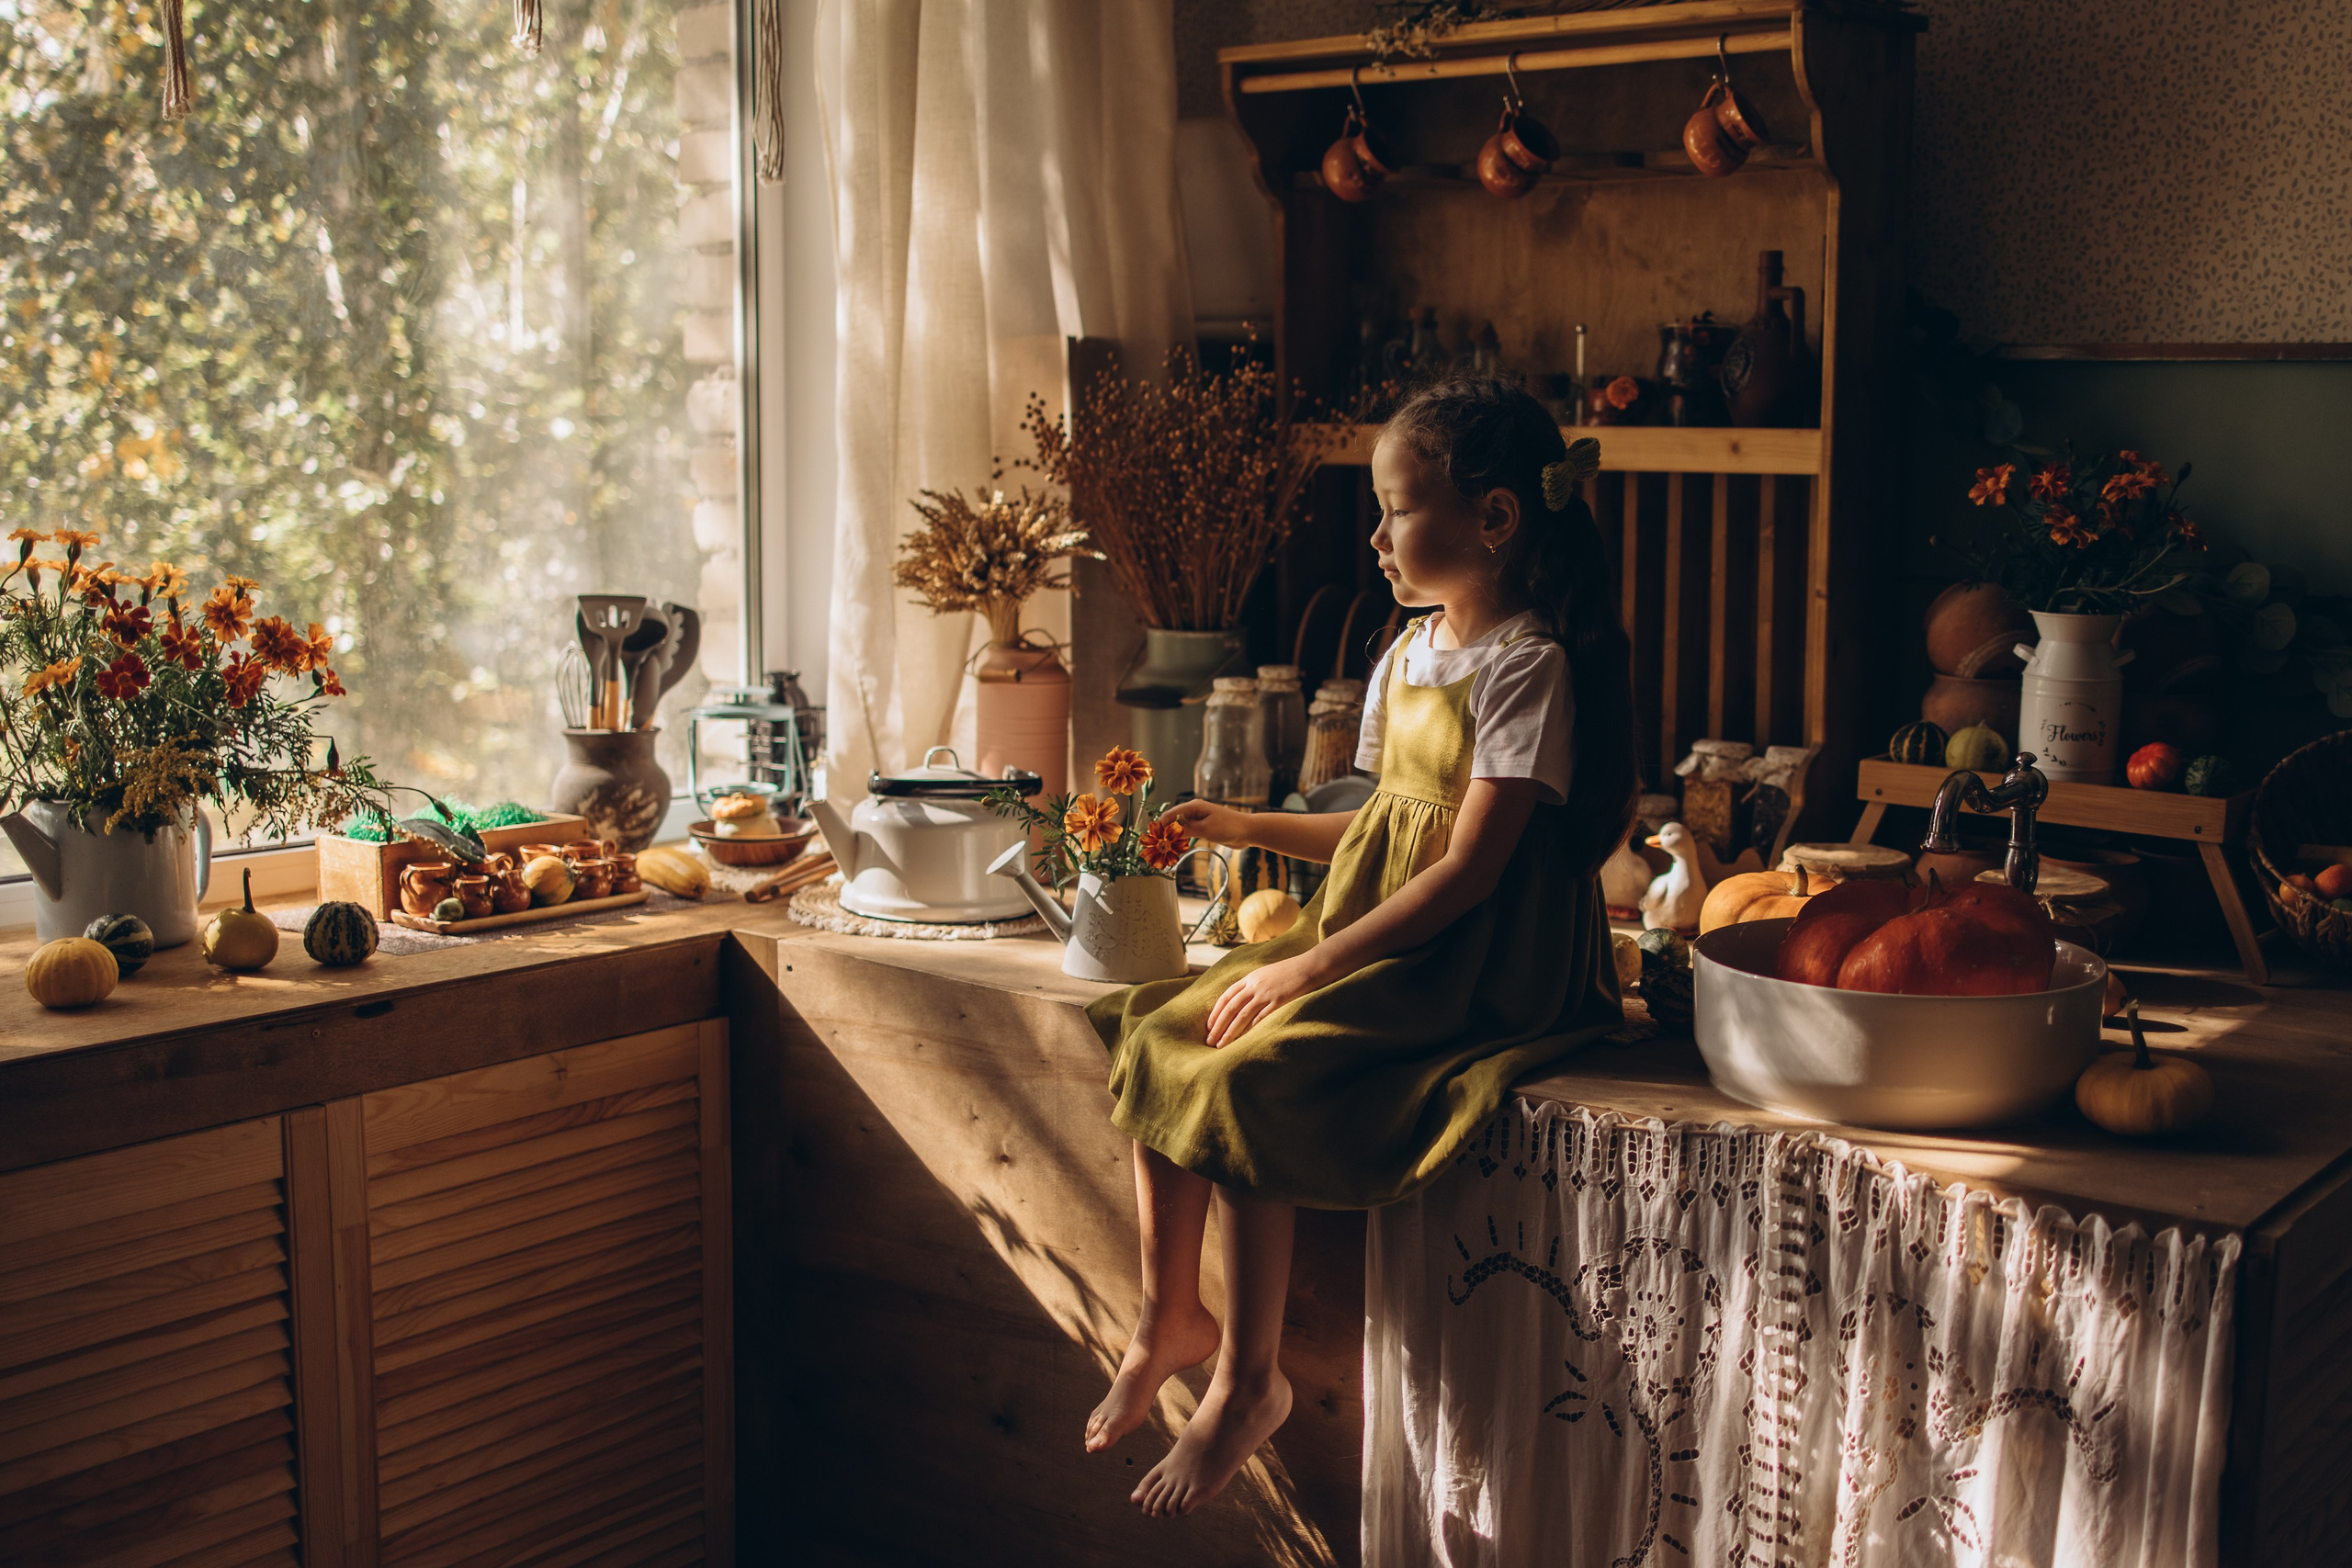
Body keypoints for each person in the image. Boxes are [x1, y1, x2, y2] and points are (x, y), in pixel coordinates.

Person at [1083, 376, 1639, 1517]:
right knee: (1155, 1032)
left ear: (1493, 519)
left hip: (1478, 959)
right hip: (1377, 923)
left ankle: (1249, 1379)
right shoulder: (1412, 648)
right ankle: (1166, 1316)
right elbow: (1386, 822)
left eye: (1395, 509)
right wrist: (1245, 824)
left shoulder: (1528, 664)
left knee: (1254, 1076)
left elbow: (1469, 868)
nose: (1374, 537)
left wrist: (1307, 965)